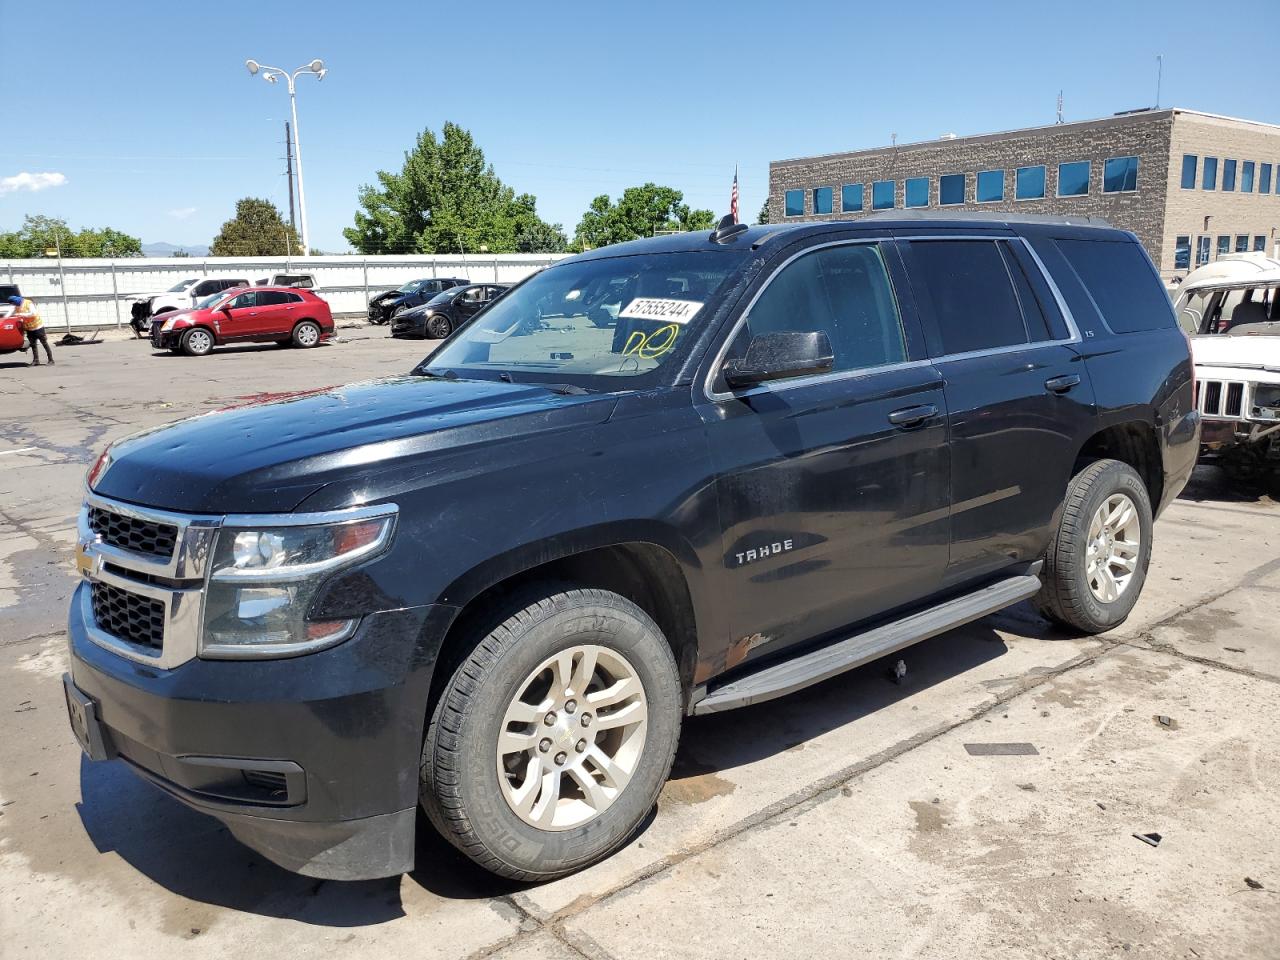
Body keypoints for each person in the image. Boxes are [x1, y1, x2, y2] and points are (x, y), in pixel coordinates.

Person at [9, 295, 53, 365]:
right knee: (33, 345)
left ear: (16, 301)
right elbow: (11, 314)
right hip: (29, 328)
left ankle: (51, 360)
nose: (13, 305)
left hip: (37, 327)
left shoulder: (28, 303)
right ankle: (36, 360)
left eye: (13, 303)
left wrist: (21, 314)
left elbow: (33, 313)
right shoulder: (16, 306)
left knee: (44, 343)